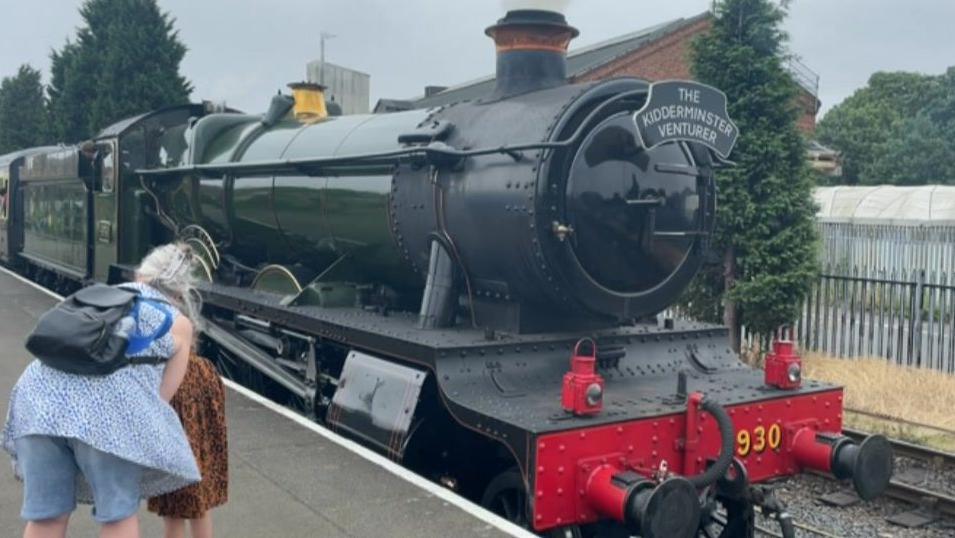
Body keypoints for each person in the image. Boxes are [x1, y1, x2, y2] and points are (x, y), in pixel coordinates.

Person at [2, 243, 202, 538]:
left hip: (36, 403)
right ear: (183, 290)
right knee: (117, 516)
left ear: (139, 274)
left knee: (46, 516)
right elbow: (158, 400)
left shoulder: (97, 297)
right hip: (109, 416)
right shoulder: (178, 322)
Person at [147, 351, 228, 538]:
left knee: (173, 513)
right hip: (203, 452)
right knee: (202, 508)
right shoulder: (206, 368)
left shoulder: (164, 373)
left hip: (173, 453)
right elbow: (218, 408)